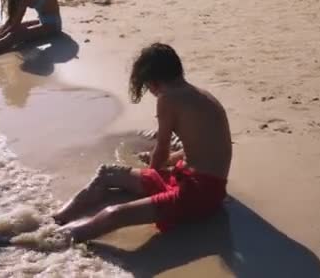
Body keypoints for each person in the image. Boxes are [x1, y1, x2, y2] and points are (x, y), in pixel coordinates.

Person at [53, 43, 232, 242]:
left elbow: (161, 150)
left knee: (115, 214)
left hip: (198, 194)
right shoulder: (200, 94)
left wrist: (151, 173)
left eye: (147, 86)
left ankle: (54, 238)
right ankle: (59, 217)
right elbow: (200, 148)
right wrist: (170, 162)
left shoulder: (168, 98)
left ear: (153, 80)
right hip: (205, 185)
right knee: (107, 173)